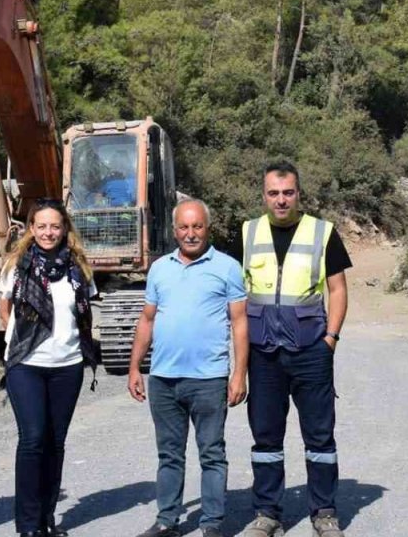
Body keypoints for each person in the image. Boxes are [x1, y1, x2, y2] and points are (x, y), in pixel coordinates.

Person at [239, 162, 351, 537]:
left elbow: (338, 289)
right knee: (266, 436)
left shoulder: (323, 232)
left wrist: (330, 339)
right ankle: (267, 513)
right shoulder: (248, 232)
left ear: (298, 194)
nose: (281, 200)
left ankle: (324, 511)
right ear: (264, 195)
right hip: (264, 353)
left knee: (319, 435)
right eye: (274, 193)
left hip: (310, 351)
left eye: (288, 192)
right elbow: (239, 293)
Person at [127, 199, 250, 537]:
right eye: (184, 227)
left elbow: (239, 322)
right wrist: (135, 367)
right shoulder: (159, 268)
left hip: (209, 379)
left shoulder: (227, 267)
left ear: (207, 228)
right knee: (169, 454)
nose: (191, 233)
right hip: (164, 379)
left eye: (197, 227)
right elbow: (147, 319)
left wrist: (239, 373)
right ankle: (167, 520)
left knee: (212, 454)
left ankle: (211, 523)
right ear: (174, 229)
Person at [0, 198, 99, 537]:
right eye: (41, 226)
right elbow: (6, 311)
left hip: (67, 365)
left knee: (56, 442)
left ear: (64, 229)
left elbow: (83, 314)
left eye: (55, 226)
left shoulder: (79, 267)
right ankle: (28, 526)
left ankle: (46, 516)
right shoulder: (17, 265)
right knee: (33, 439)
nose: (48, 232)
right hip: (26, 365)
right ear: (31, 229)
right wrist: (22, 342)